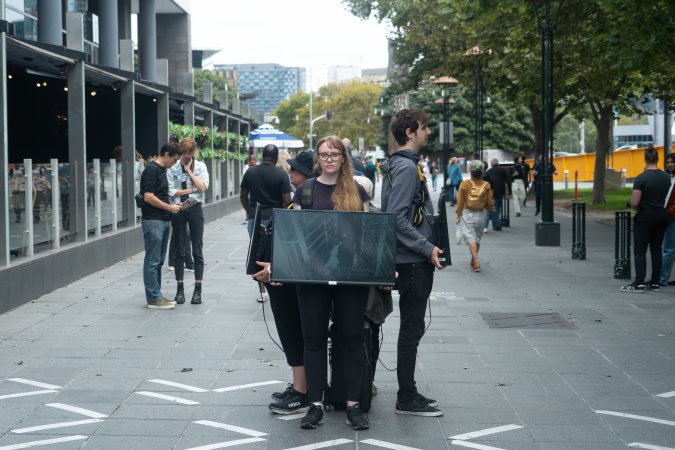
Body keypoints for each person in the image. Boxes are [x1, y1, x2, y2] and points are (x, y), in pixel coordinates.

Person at [293, 136, 371, 431]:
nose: (329, 159)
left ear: (343, 157)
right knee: (312, 339)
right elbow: (298, 237)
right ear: (318, 158)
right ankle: (315, 405)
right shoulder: (306, 190)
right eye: (324, 154)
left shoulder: (356, 190)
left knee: (352, 337)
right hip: (312, 276)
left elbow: (366, 236)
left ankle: (353, 405)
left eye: (334, 154)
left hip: (350, 276)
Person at [380, 108, 445, 417]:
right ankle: (406, 396)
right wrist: (427, 247)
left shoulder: (401, 165)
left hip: (409, 258)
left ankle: (408, 392)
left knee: (411, 328)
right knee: (411, 329)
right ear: (410, 132)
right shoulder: (406, 168)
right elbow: (396, 218)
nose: (427, 132)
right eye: (424, 127)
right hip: (412, 261)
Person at [253, 151, 316, 416]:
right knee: (290, 333)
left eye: (295, 171)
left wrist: (277, 268)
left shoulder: (309, 198)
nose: (290, 175)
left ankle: (303, 391)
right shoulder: (299, 197)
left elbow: (304, 242)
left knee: (295, 333)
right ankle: (299, 385)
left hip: (293, 277)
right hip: (284, 275)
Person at [240, 144, 292, 302]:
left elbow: (243, 195)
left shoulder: (250, 172)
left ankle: (261, 291)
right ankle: (273, 285)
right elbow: (287, 200)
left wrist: (249, 211)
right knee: (273, 253)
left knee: (257, 253)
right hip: (274, 219)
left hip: (255, 217)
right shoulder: (282, 175)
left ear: (263, 156)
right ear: (276, 158)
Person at [621, 146, 671, 292]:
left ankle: (639, 282)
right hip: (662, 216)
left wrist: (635, 208)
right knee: (656, 249)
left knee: (640, 250)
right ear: (658, 159)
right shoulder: (666, 177)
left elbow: (635, 202)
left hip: (646, 216)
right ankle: (655, 282)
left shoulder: (641, 178)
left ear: (645, 159)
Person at [140, 142, 182, 309]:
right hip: (153, 220)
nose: (174, 163)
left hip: (163, 219)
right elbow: (148, 197)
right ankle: (153, 297)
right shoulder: (151, 170)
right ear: (166, 154)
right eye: (174, 159)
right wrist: (170, 207)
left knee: (158, 261)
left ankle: (156, 294)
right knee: (152, 260)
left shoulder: (162, 171)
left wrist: (172, 207)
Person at [167, 138, 209, 305]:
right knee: (179, 248)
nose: (186, 156)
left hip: (195, 208)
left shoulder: (200, 166)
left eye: (189, 153)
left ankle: (198, 290)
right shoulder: (173, 168)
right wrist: (192, 189)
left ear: (193, 152)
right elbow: (171, 191)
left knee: (197, 249)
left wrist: (189, 171)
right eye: (183, 153)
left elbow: (204, 187)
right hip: (178, 209)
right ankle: (180, 289)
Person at [456, 160, 495, 272]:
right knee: (477, 239)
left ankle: (476, 261)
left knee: (470, 238)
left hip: (467, 213)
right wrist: (492, 209)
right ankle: (473, 260)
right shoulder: (486, 185)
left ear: (470, 171)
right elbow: (490, 202)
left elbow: (460, 202)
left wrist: (458, 215)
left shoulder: (465, 184)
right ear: (482, 171)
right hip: (482, 214)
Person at [660, 153, 675, 286]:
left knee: (669, 249)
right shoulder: (665, 177)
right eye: (667, 162)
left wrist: (668, 212)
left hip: (671, 217)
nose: (669, 164)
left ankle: (662, 279)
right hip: (663, 215)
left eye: (672, 162)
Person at [483, 158, 510, 231]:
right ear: (498, 163)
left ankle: (495, 224)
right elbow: (507, 180)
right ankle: (497, 224)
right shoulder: (503, 170)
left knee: (493, 208)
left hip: (492, 191)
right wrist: (508, 192)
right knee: (497, 207)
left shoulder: (489, 172)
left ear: (491, 165)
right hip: (501, 191)